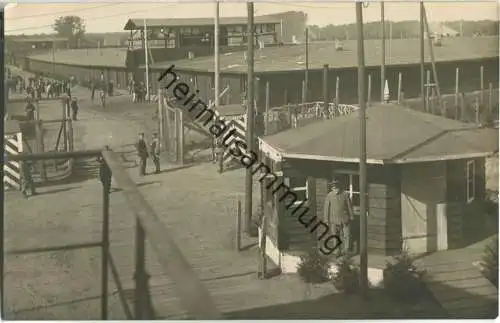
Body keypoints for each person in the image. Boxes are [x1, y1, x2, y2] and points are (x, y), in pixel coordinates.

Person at [323, 178, 354, 256]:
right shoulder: (329, 196)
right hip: (333, 220)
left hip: (344, 218)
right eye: (333, 187)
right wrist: (326, 220)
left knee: (347, 235)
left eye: (336, 187)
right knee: (335, 236)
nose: (335, 189)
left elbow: (349, 206)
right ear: (331, 188)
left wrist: (351, 216)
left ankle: (346, 250)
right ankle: (337, 251)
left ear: (339, 187)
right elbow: (326, 209)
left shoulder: (345, 194)